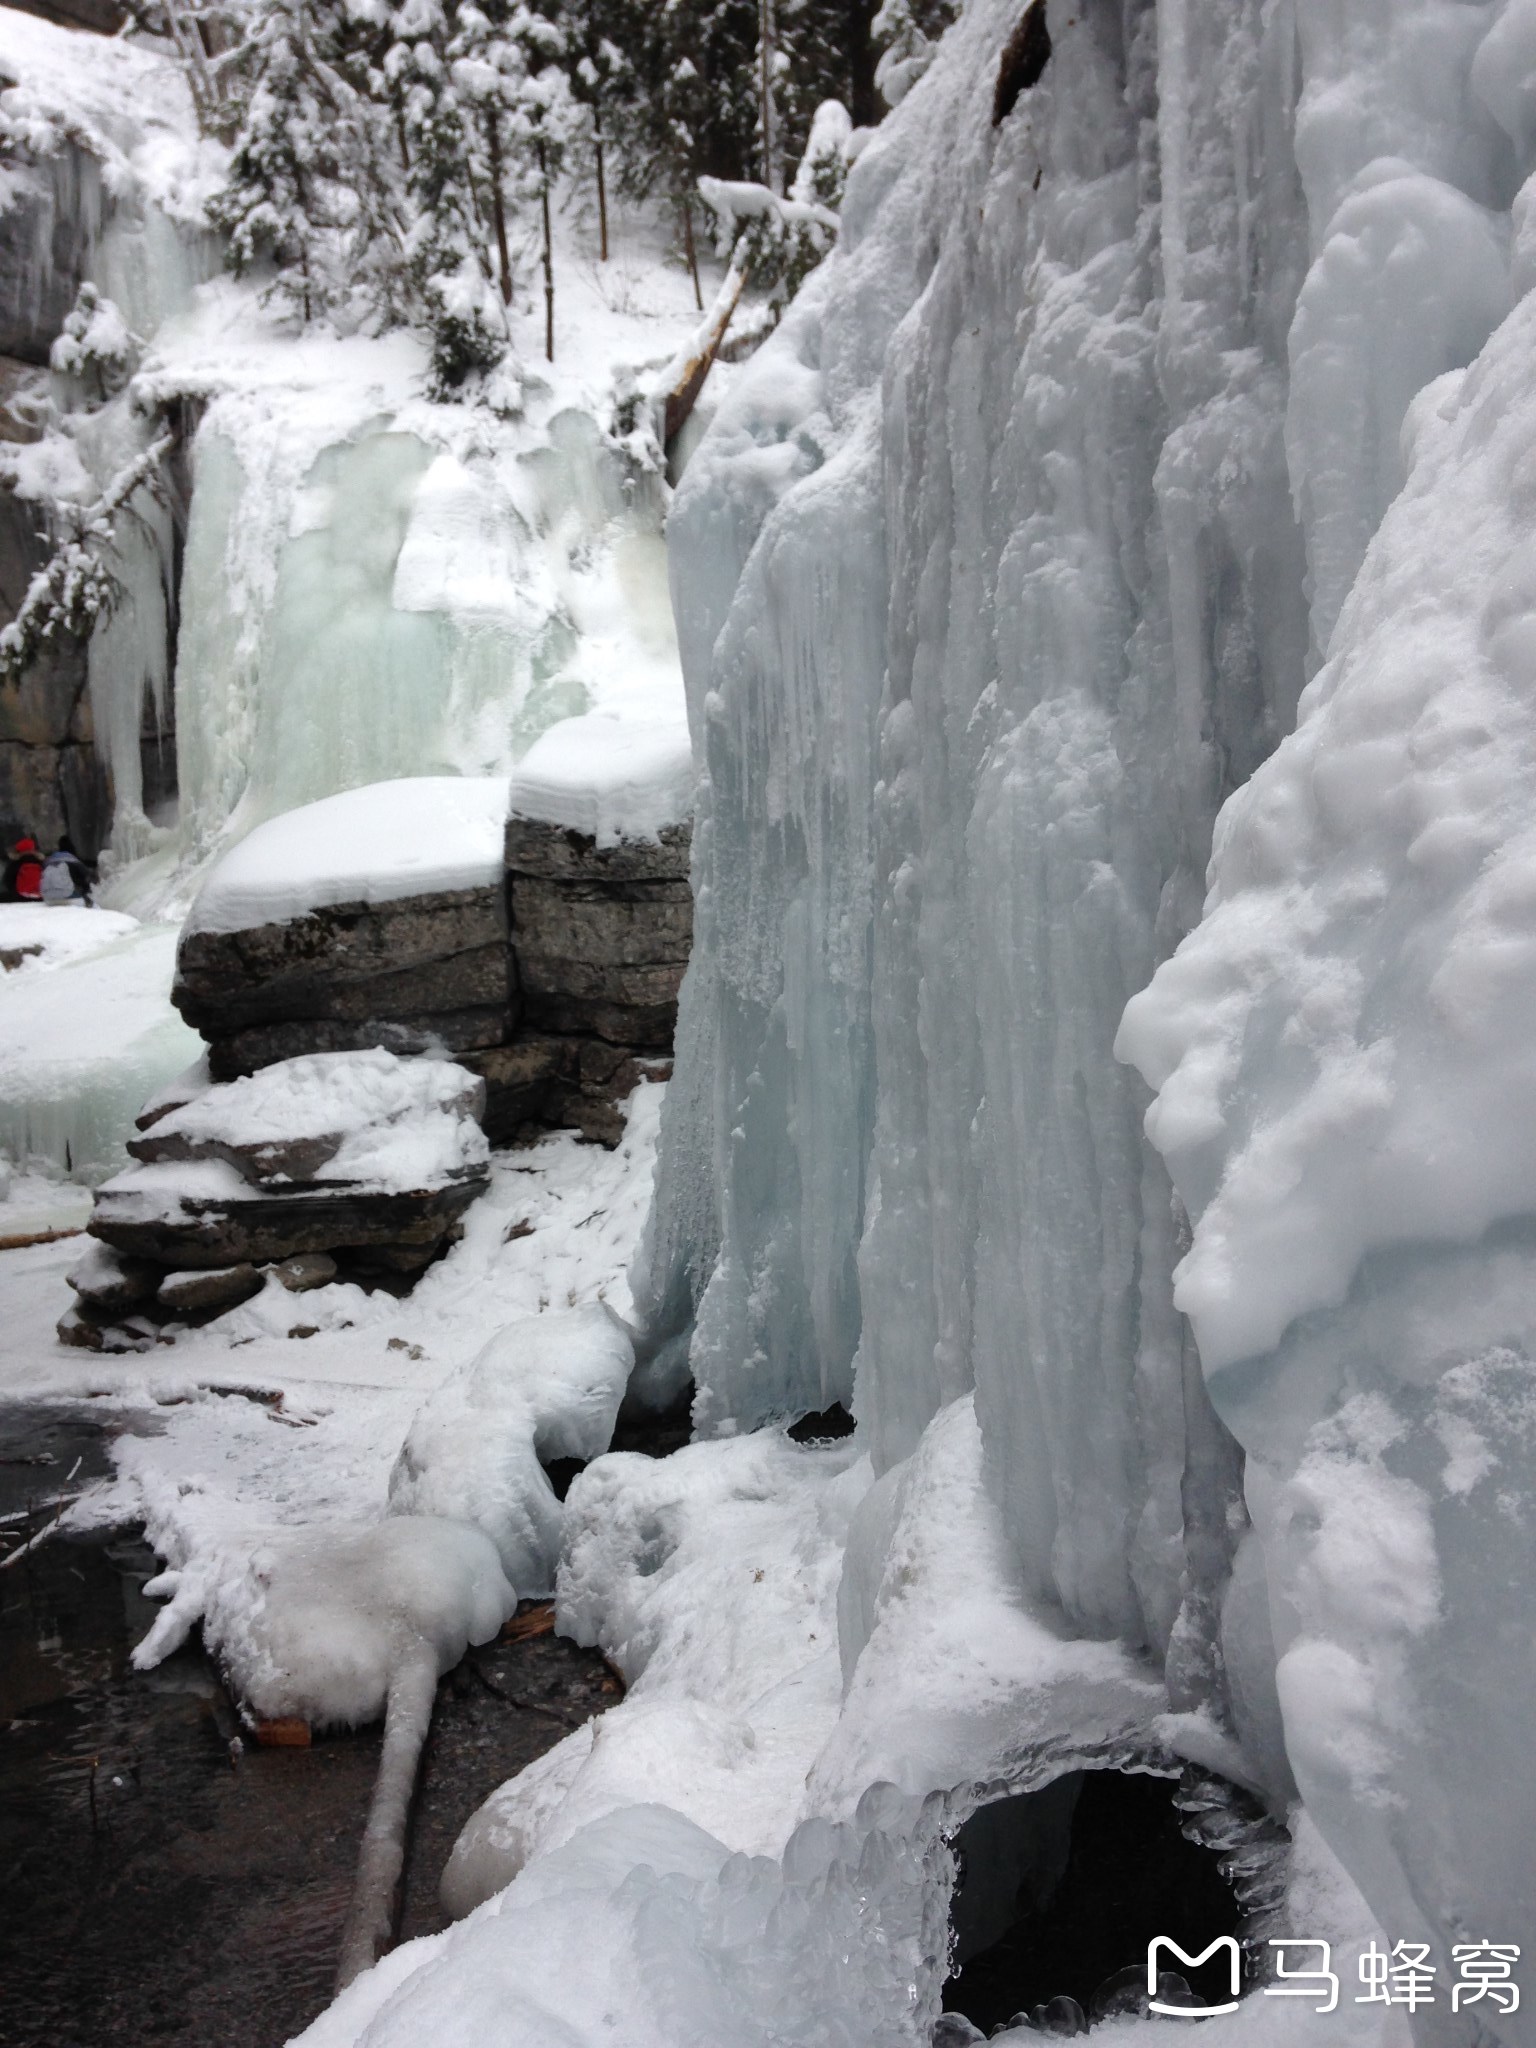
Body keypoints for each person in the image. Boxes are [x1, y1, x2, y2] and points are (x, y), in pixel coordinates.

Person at [40, 835, 90, 904]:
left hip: (48, 895)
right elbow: (86, 875)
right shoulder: (74, 860)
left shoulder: (50, 860)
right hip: (69, 894)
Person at [8, 836, 43, 901]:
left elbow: (8, 882)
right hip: (39, 899)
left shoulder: (15, 864)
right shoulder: (41, 863)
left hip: (19, 899)